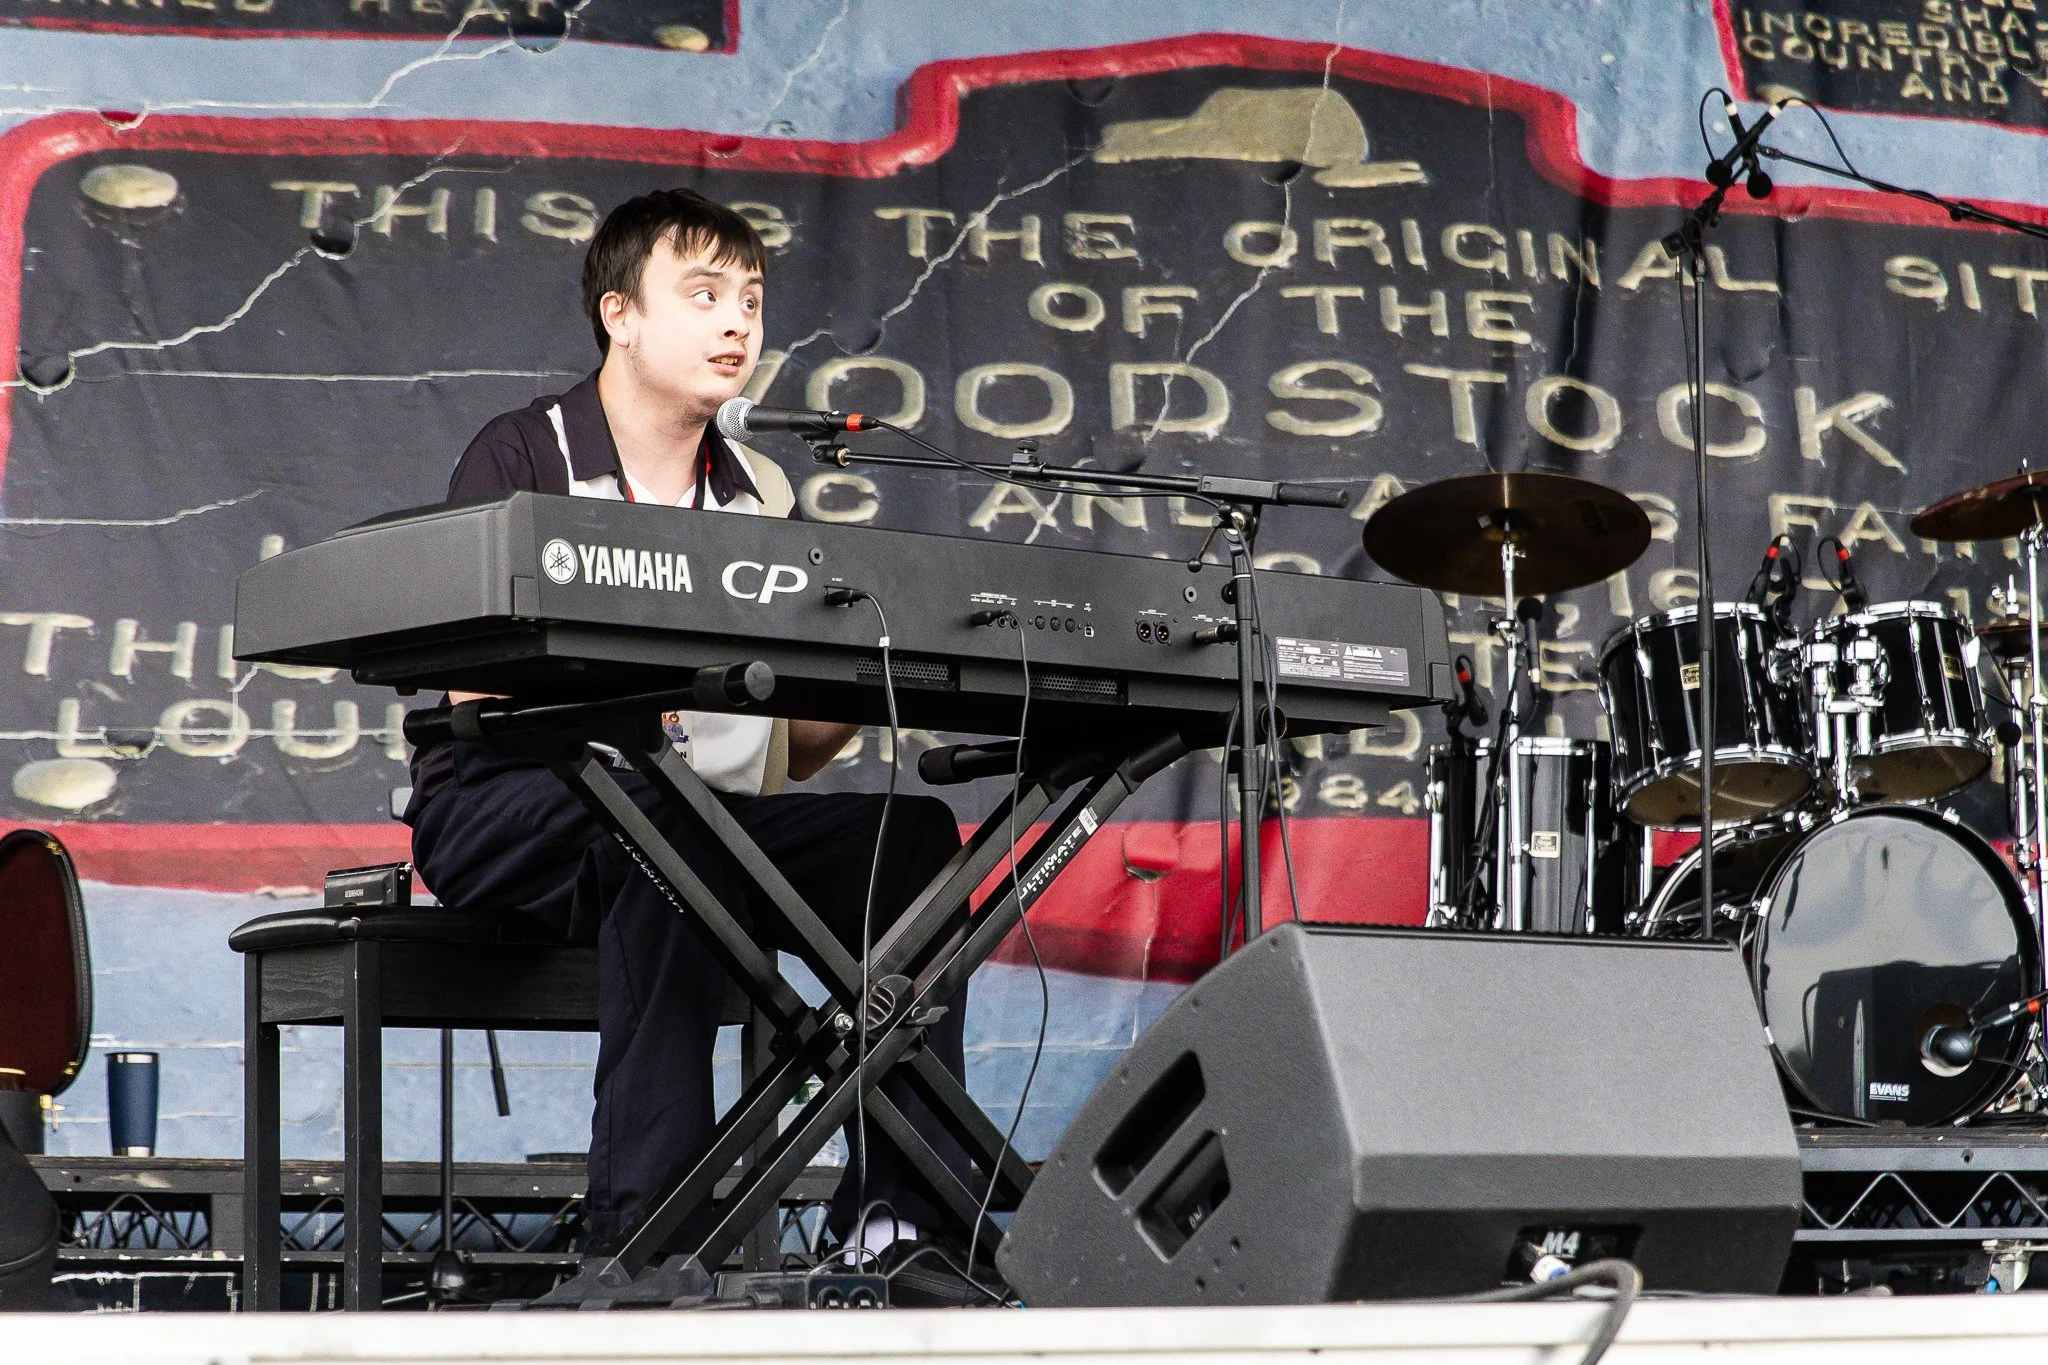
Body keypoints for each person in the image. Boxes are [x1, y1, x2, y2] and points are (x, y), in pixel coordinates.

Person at [401, 188, 972, 1280]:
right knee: (659, 829)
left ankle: (900, 1220)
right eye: (703, 295)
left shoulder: (760, 491)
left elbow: (794, 746)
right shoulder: (525, 453)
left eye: (751, 300)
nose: (736, 326)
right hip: (505, 808)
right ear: (619, 316)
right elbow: (468, 696)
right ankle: (645, 1243)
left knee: (908, 844)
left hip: (704, 817)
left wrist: (873, 659)